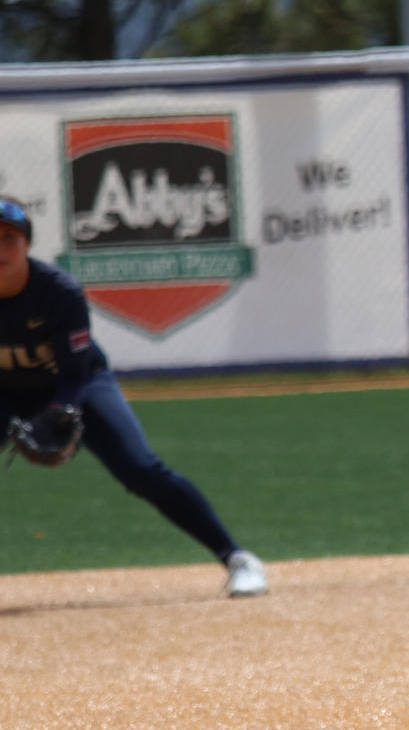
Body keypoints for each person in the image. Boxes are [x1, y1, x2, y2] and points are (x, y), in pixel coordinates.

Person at [0, 196, 268, 597]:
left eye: (9, 237)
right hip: (6, 390)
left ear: (27, 244)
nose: (1, 248)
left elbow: (74, 375)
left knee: (141, 468)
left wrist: (58, 413)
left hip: (78, 386)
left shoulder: (58, 292)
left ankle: (237, 558)